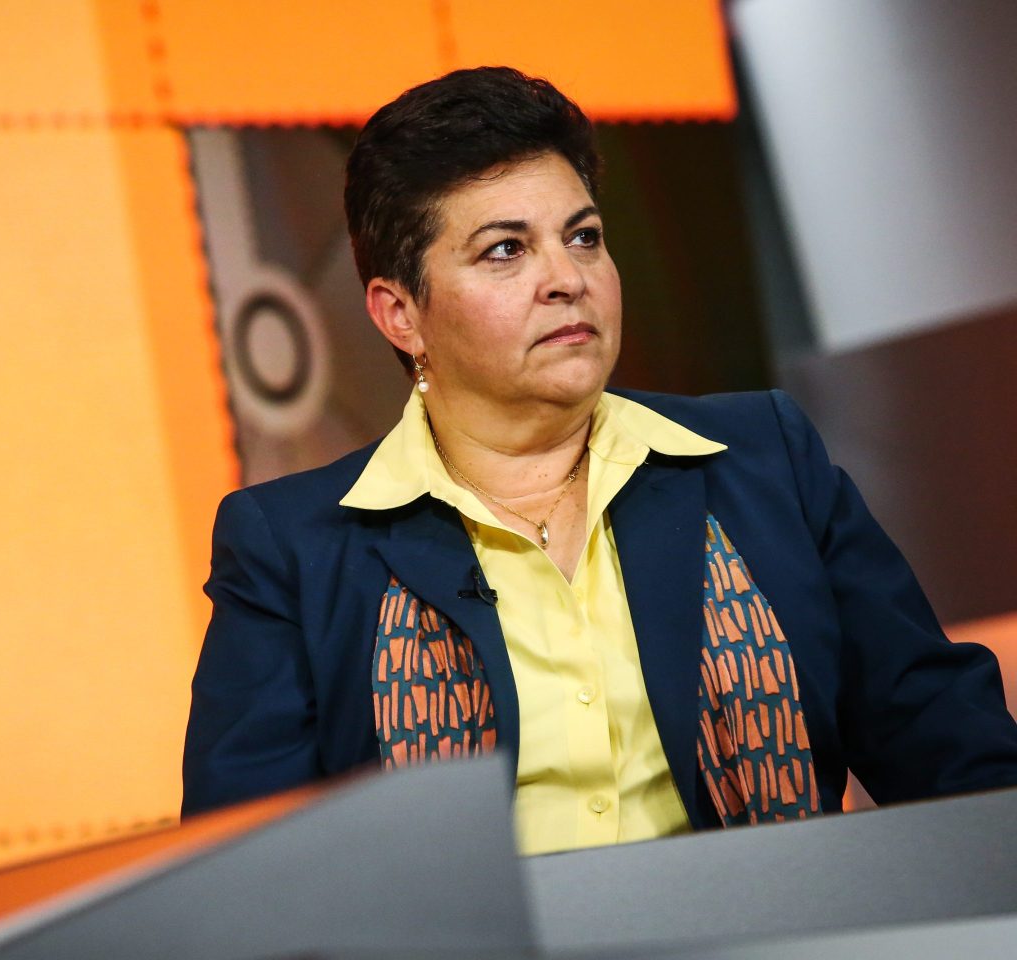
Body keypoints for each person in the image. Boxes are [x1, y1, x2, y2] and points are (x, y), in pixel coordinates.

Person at [181, 66, 1017, 855]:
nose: (566, 278)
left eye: (583, 238)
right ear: (401, 314)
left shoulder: (761, 460)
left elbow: (948, 744)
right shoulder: (292, 548)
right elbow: (252, 869)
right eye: (505, 250)